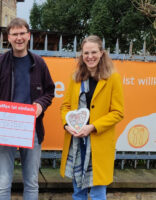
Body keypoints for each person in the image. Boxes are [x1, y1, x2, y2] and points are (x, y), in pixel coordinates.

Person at [0, 18, 55, 200]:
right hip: (5, 128)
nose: (19, 37)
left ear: (29, 35)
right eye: (15, 34)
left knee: (31, 182)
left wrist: (40, 104)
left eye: (22, 33)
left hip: (32, 128)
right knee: (3, 182)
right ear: (9, 37)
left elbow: (49, 91)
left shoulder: (39, 63)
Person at [60, 35, 124, 200]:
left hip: (98, 142)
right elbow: (65, 107)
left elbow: (118, 112)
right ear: (82, 55)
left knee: (97, 193)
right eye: (86, 53)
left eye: (94, 52)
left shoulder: (113, 78)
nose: (90, 56)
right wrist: (67, 124)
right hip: (77, 143)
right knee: (78, 192)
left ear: (102, 53)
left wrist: (93, 126)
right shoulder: (75, 78)